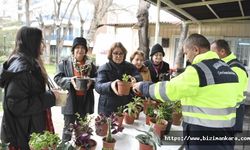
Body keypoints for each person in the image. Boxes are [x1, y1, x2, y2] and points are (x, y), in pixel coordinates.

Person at [133, 33, 240, 150]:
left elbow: (169, 90)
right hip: (227, 133)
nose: (186, 57)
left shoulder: (198, 70)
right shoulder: (229, 70)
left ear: (195, 50)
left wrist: (143, 87)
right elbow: (237, 98)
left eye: (186, 53)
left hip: (202, 135)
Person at [0, 26, 59, 150]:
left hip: (27, 129)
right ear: (32, 43)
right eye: (40, 41)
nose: (43, 45)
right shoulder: (22, 68)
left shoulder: (30, 63)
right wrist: (50, 97)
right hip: (21, 134)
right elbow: (16, 105)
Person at [54, 37, 97, 142]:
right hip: (70, 101)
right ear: (73, 50)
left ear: (86, 51)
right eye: (77, 47)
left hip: (84, 100)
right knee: (68, 128)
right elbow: (57, 78)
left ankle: (80, 145)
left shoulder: (90, 65)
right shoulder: (64, 63)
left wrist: (92, 81)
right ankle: (65, 147)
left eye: (83, 47)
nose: (80, 50)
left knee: (82, 128)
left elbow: (98, 78)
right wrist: (70, 81)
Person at [211, 39, 248, 133]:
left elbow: (235, 95)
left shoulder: (236, 68)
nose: (210, 55)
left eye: (212, 52)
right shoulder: (224, 65)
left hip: (232, 112)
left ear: (222, 52)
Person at [95, 42, 142, 116]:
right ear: (111, 54)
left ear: (124, 54)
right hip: (107, 108)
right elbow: (98, 86)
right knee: (108, 126)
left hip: (125, 105)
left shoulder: (130, 67)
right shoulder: (104, 68)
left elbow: (139, 76)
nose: (118, 56)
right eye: (115, 53)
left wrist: (135, 79)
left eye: (121, 53)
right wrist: (110, 85)